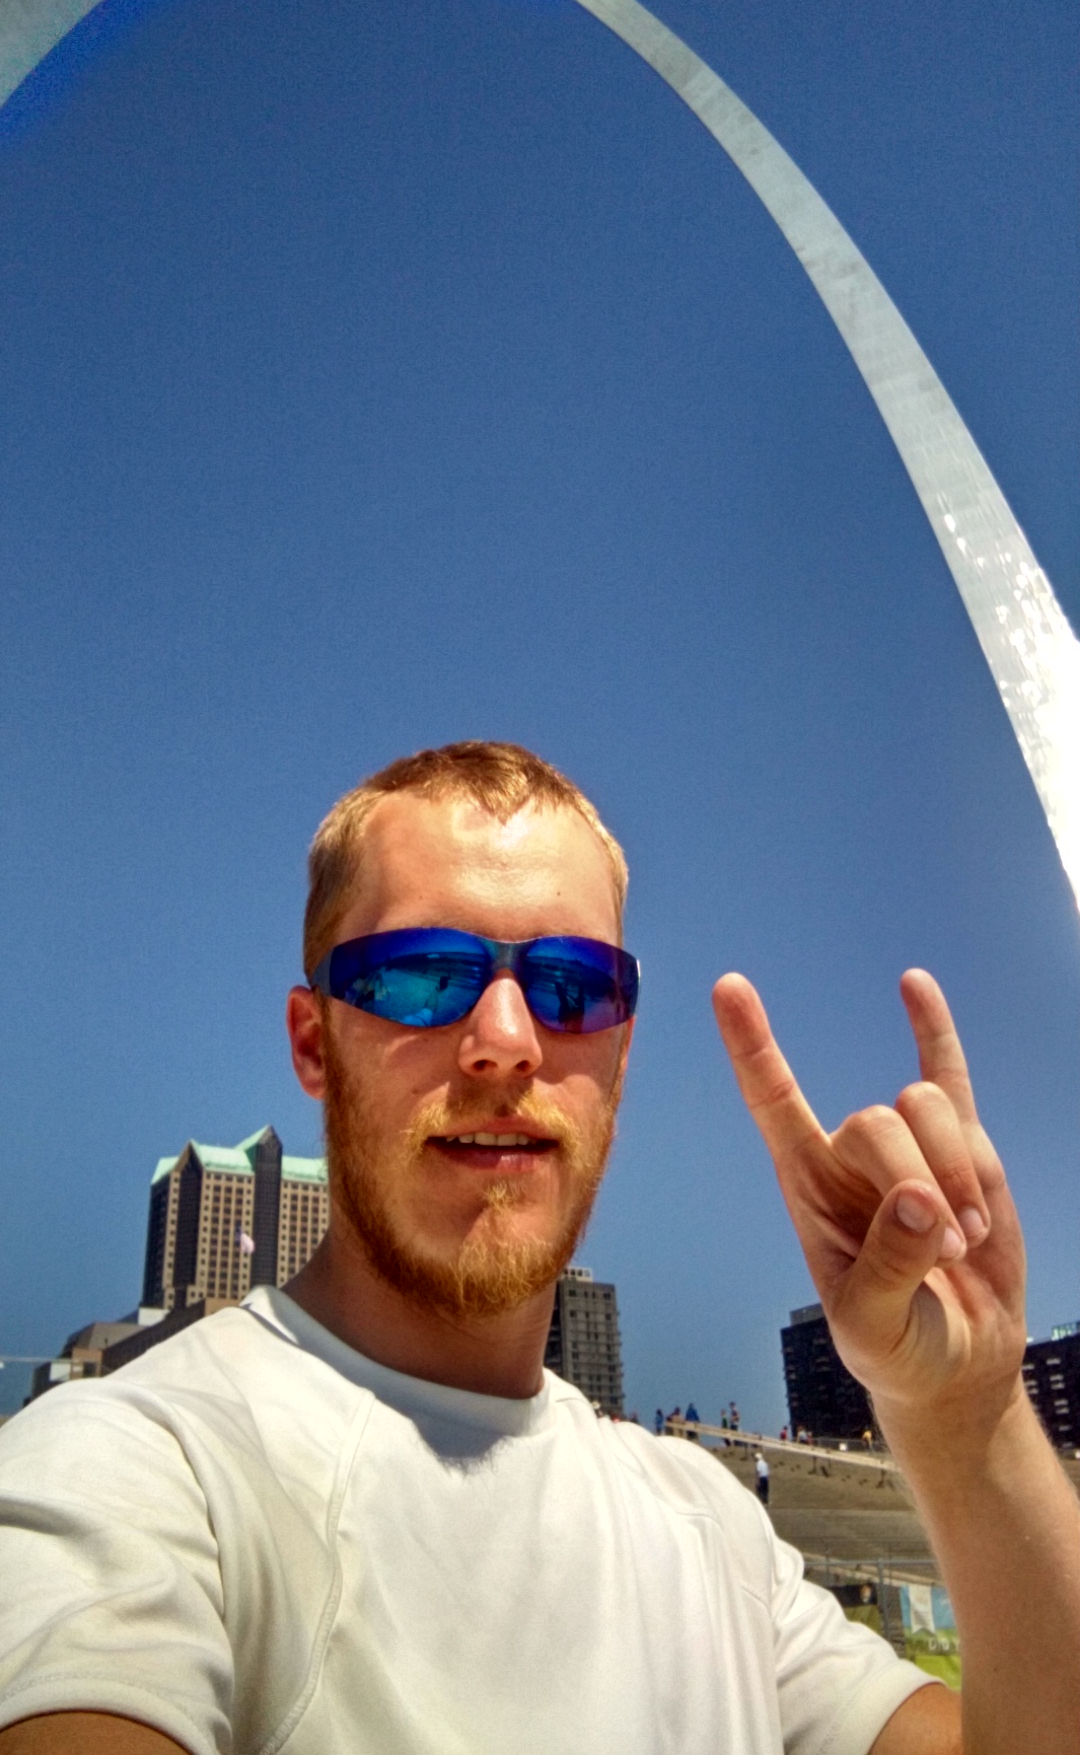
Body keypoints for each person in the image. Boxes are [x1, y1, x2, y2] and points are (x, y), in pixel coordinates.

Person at [0, 739, 1077, 1755]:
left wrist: (965, 1415)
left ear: (620, 1056)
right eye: (423, 973)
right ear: (313, 1041)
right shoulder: (138, 1469)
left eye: (574, 986)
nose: (508, 1043)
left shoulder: (712, 1533)